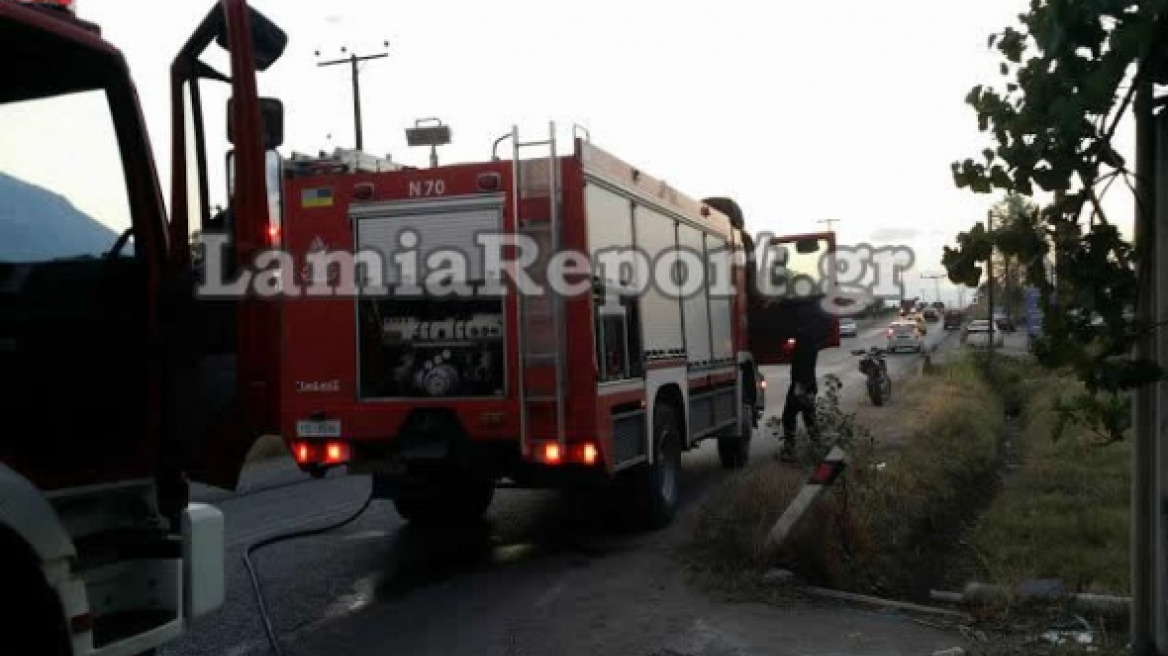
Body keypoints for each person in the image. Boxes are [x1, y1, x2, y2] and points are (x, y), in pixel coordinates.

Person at [780, 326, 819, 461]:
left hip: (801, 385)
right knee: (809, 418)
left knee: (789, 416)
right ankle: (817, 448)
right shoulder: (810, 341)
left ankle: (790, 450)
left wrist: (801, 387)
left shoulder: (805, 343)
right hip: (806, 384)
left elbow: (803, 368)